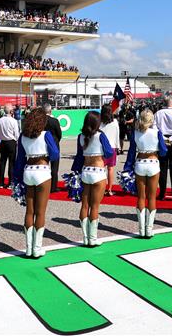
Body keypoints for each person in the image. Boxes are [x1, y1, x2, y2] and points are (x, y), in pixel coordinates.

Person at [13, 109, 60, 258]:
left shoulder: (23, 136)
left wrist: (17, 179)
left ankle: (28, 248)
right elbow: (55, 154)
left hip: (28, 171)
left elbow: (19, 160)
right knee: (40, 212)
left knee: (29, 211)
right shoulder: (46, 135)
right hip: (42, 171)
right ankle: (37, 248)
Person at [71, 110, 114, 246]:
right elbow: (108, 152)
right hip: (98, 172)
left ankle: (85, 238)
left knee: (85, 205)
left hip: (85, 172)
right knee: (95, 206)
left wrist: (74, 174)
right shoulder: (101, 136)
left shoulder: (80, 137)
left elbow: (79, 157)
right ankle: (92, 238)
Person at [123, 108, 167, 238]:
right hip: (153, 163)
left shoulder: (135, 133)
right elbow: (164, 151)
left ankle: (141, 229)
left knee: (141, 197)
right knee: (151, 197)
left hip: (140, 163)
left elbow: (131, 153)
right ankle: (149, 229)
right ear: (151, 119)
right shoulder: (157, 132)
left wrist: (127, 168)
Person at [154, 96, 172, 201]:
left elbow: (154, 128)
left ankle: (162, 194)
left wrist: (163, 138)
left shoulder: (158, 114)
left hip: (162, 142)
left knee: (162, 168)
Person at [98, 105, 119, 196]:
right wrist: (118, 146)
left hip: (101, 147)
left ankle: (100, 189)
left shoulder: (99, 122)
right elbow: (117, 135)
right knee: (110, 169)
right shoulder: (114, 122)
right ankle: (109, 189)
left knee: (101, 169)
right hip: (112, 147)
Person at [0, 105, 19, 188]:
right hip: (11, 142)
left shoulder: (0, 120)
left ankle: (1, 182)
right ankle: (10, 182)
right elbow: (16, 134)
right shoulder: (13, 121)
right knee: (11, 163)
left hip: (3, 142)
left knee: (2, 162)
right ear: (11, 111)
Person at [43, 104, 63, 193]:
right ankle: (53, 187)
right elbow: (59, 134)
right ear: (50, 111)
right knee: (54, 167)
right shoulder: (54, 121)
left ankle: (44, 185)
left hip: (43, 145)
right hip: (54, 144)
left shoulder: (41, 121)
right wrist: (56, 141)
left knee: (44, 166)